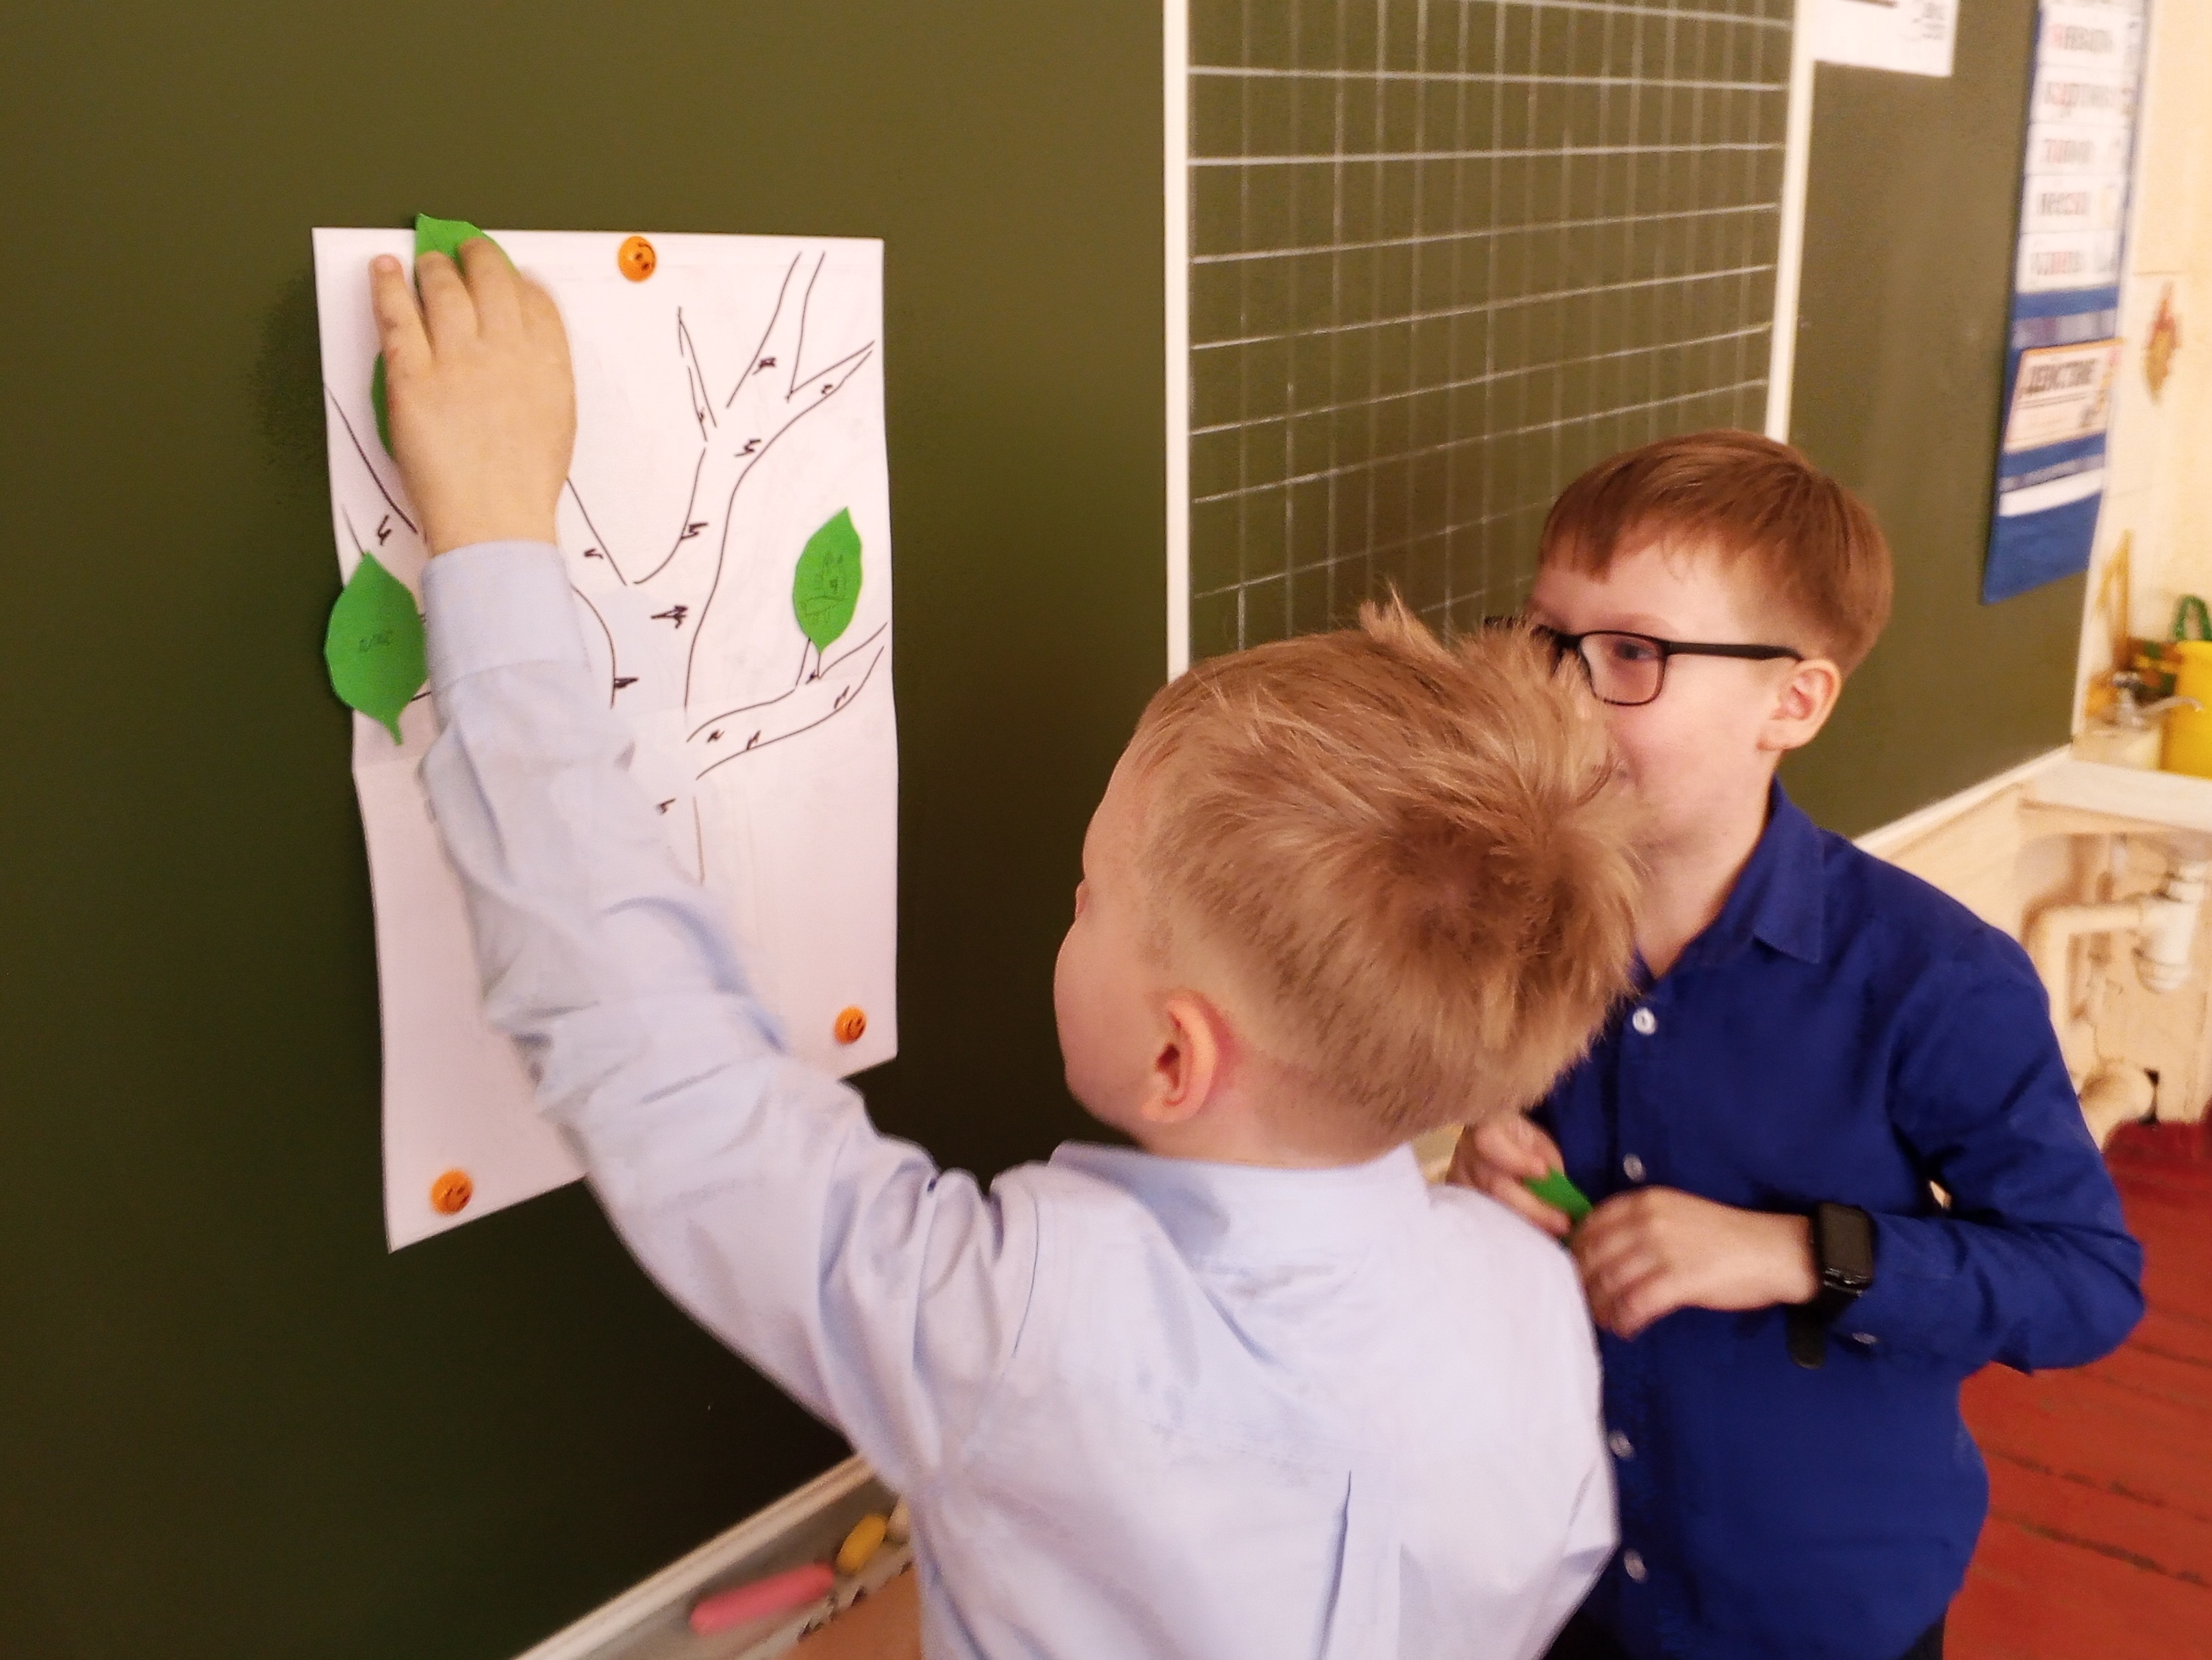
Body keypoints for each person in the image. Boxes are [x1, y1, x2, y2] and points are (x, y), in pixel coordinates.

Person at [369, 239, 1642, 1660]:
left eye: (1087, 894)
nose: (1066, 904)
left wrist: (491, 543)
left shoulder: (1036, 1334)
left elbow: (673, 1090)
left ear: (1175, 1057)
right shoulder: (1524, 1301)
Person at [1453, 431, 2146, 1660]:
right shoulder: (1512, 925)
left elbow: (2084, 1285)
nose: (1562, 694)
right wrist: (1487, 1178)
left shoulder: (1934, 980)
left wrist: (1795, 1253)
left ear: (1795, 702)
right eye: (1548, 639)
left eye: (1633, 655)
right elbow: (1525, 1186)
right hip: (1568, 1577)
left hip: (1816, 1608)